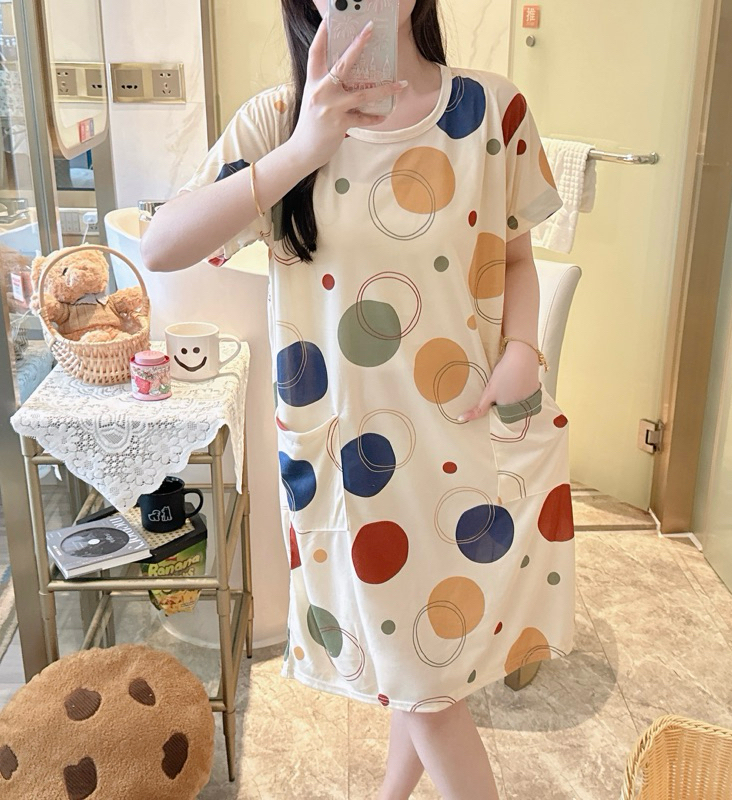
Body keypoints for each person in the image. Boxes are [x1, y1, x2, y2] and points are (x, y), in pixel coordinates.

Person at [141, 1, 575, 797]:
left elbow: (516, 257)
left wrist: (523, 349)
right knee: (421, 674)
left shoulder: (494, 110)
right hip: (351, 460)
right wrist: (304, 149)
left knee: (428, 669)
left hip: (464, 440)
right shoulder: (278, 121)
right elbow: (162, 245)